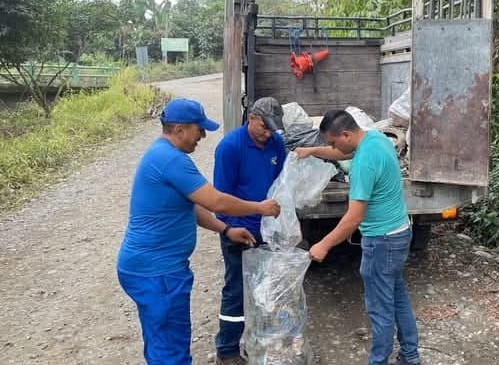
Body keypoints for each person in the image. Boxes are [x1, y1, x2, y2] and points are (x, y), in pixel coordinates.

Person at [116, 97, 281, 365]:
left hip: (155, 269)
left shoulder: (163, 154)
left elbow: (190, 206)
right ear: (179, 129)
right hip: (157, 271)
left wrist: (225, 229)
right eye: (199, 129)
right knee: (171, 348)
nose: (202, 136)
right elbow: (216, 201)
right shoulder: (171, 159)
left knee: (163, 340)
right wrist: (259, 208)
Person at [295, 110, 421, 365]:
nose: (333, 147)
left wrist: (323, 244)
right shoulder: (376, 139)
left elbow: (353, 218)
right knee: (396, 296)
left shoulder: (363, 164)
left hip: (382, 241)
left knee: (379, 308)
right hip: (399, 232)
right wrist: (312, 151)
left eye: (333, 142)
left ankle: (379, 361)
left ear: (346, 135)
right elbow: (343, 154)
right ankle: (410, 355)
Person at [212, 97, 287, 365]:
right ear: (251, 118)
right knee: (236, 290)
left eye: (272, 129)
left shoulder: (276, 143)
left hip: (267, 230)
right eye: (264, 127)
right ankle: (227, 350)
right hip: (240, 230)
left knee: (266, 290)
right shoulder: (230, 147)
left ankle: (261, 344)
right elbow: (220, 197)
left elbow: (280, 184)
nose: (268, 134)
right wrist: (230, 228)